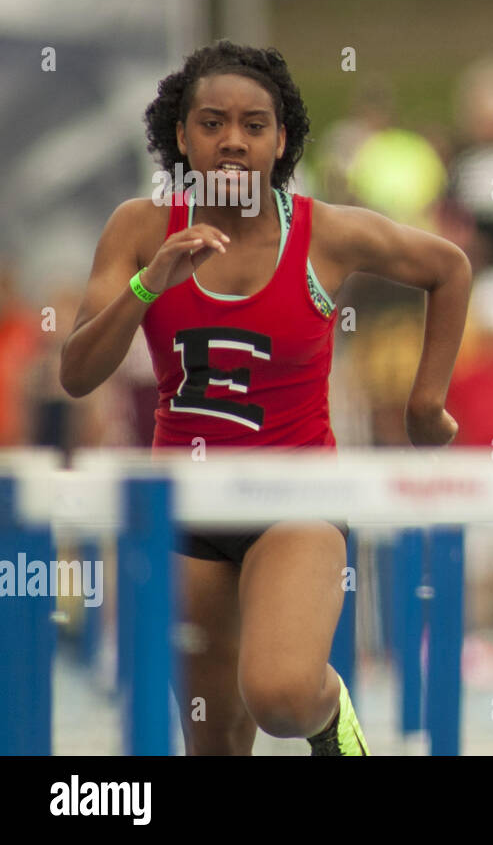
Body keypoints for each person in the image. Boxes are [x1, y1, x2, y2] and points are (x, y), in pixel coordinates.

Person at [58, 41, 471, 755]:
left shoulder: (324, 233)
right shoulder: (139, 227)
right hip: (183, 503)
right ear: (181, 136)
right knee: (214, 739)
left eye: (254, 125)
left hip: (296, 498)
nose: (233, 142)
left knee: (278, 695)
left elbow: (450, 268)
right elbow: (77, 370)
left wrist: (424, 405)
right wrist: (151, 281)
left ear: (282, 141)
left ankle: (330, 715)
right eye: (212, 123)